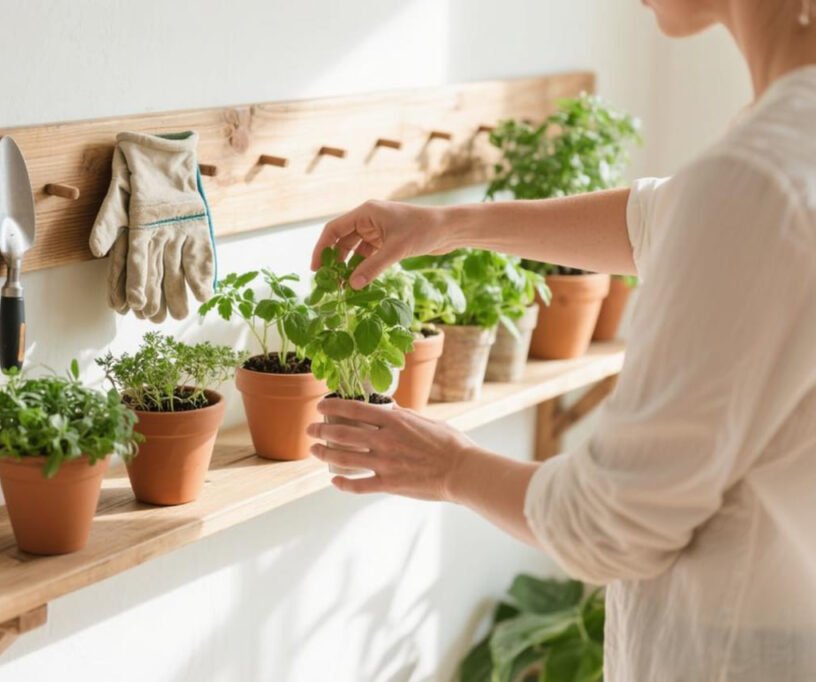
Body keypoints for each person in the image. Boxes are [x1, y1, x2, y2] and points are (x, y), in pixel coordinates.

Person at [305, 1, 816, 679]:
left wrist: (448, 465)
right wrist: (444, 226)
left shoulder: (754, 179)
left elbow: (610, 526)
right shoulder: (781, 151)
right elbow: (656, 218)